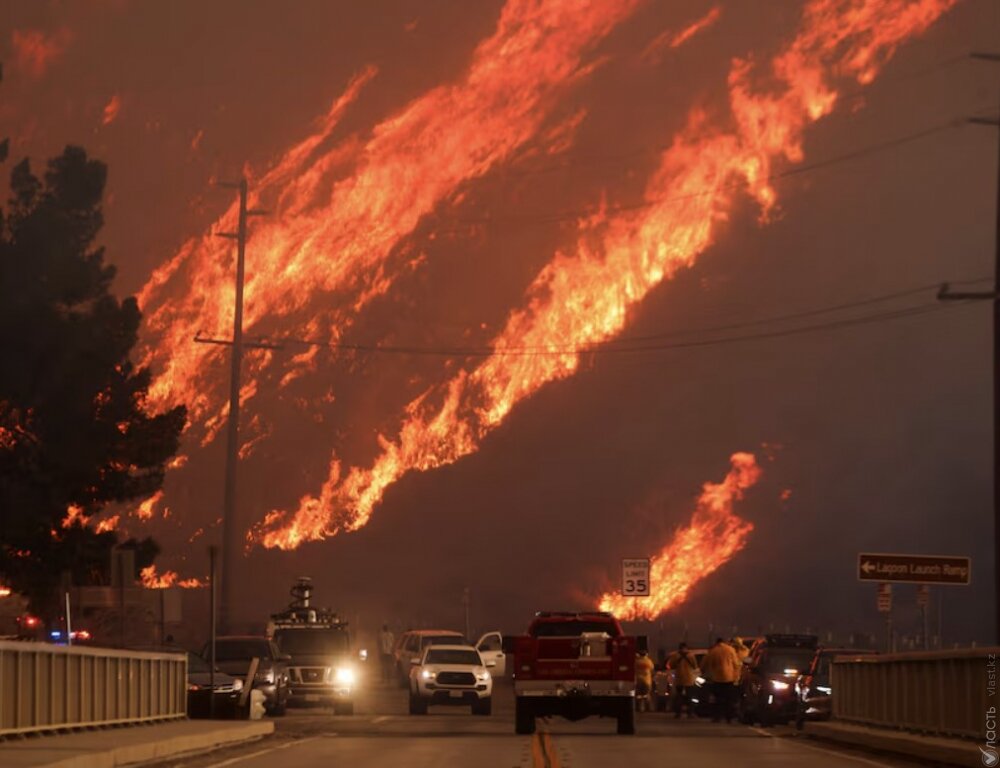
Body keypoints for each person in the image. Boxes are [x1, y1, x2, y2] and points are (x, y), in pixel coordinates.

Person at [701, 637, 741, 722]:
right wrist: (736, 676)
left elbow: (705, 663)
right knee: (729, 699)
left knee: (718, 699)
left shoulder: (713, 651)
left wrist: (704, 671)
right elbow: (736, 664)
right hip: (729, 678)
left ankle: (717, 717)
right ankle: (729, 717)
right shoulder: (730, 650)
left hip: (717, 678)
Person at [667, 642, 699, 718]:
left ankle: (678, 713)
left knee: (679, 696)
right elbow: (695, 666)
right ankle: (690, 713)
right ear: (686, 648)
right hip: (689, 678)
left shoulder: (675, 655)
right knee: (690, 696)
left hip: (679, 679)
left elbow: (671, 665)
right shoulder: (691, 655)